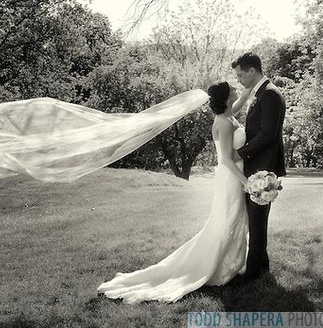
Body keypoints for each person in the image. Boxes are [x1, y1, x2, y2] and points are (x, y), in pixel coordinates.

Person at [96, 81, 252, 303]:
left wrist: (246, 94)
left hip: (231, 176)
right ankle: (214, 267)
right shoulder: (224, 123)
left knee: (229, 220)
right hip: (231, 177)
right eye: (233, 90)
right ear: (227, 97)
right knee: (226, 221)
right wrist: (246, 182)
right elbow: (226, 159)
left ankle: (225, 263)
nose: (236, 90)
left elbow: (235, 109)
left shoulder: (228, 116)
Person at [232, 52, 286, 282]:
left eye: (241, 75)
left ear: (252, 71)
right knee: (257, 220)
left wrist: (239, 153)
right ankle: (262, 266)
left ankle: (253, 272)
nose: (239, 80)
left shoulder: (270, 95)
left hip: (262, 169)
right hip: (257, 165)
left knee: (257, 220)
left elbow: (267, 134)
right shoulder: (263, 93)